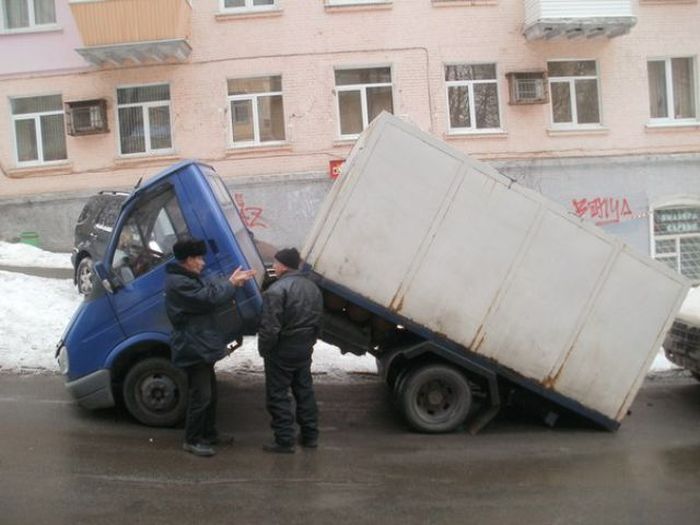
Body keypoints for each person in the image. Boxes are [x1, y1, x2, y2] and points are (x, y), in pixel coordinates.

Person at [165, 238, 256, 457]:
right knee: (201, 396)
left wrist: (231, 281)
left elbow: (211, 288)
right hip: (193, 346)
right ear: (188, 260)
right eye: (199, 258)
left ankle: (208, 433)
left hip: (200, 344)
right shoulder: (179, 283)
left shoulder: (188, 277)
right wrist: (231, 284)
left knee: (210, 394)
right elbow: (209, 298)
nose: (203, 262)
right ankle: (192, 439)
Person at [258, 248, 324, 453]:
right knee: (304, 392)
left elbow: (270, 328)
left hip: (282, 350)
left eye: (275, 263)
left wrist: (265, 350)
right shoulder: (313, 288)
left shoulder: (276, 290)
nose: (273, 266)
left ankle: (284, 440)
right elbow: (318, 321)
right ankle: (310, 436)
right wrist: (309, 342)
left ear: (282, 266)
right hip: (304, 348)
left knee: (278, 395)